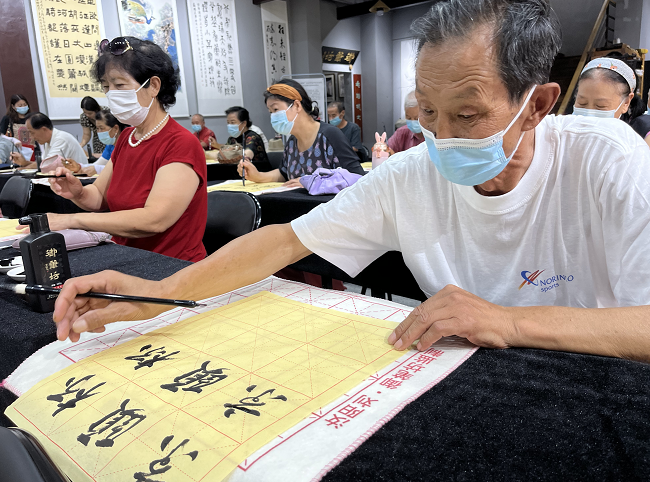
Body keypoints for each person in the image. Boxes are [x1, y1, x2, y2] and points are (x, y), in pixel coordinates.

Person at [52, 0, 650, 366]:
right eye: (427, 112)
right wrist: (157, 295)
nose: (441, 137)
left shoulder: (607, 160)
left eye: (467, 115)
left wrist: (509, 321)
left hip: (587, 374)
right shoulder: (412, 175)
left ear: (538, 104)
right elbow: (285, 241)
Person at [43, 36, 207, 263]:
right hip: (127, 258)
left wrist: (73, 220)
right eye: (106, 87)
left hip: (171, 266)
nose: (111, 94)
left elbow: (154, 220)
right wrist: (78, 193)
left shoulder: (180, 143)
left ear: (154, 86)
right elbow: (99, 197)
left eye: (119, 85)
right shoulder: (126, 138)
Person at [237, 79, 365, 188]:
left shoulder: (329, 136)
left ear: (297, 106)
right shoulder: (292, 142)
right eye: (270, 112)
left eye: (276, 109)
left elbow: (357, 177)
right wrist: (258, 176)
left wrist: (311, 183)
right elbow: (284, 173)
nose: (273, 116)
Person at [9, 113, 87, 168]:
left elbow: (48, 166)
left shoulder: (61, 139)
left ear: (44, 129)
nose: (32, 137)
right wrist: (24, 163)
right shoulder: (48, 141)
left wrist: (23, 168)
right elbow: (42, 163)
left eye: (32, 133)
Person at [63, 110, 127, 176]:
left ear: (115, 128)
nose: (99, 132)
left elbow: (122, 170)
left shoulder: (127, 145)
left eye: (101, 128)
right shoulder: (110, 146)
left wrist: (97, 169)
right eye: (97, 128)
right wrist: (79, 167)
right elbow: (98, 164)